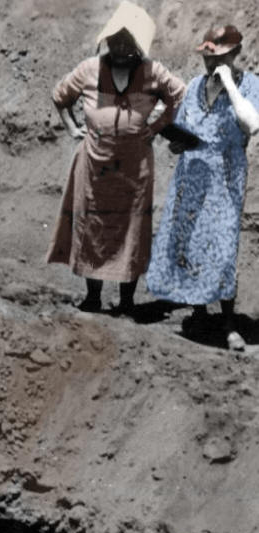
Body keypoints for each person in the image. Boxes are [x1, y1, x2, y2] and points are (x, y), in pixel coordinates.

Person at [48, 3, 185, 313]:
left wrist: (158, 125)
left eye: (128, 41)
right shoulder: (88, 69)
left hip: (135, 170)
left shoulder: (153, 71)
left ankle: (126, 302)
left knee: (132, 230)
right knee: (93, 226)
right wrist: (72, 128)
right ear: (106, 40)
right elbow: (60, 96)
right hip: (94, 165)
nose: (121, 47)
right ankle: (93, 297)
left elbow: (180, 94)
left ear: (138, 44)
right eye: (116, 40)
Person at [145, 24, 259, 344]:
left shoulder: (249, 85)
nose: (211, 64)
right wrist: (176, 143)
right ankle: (199, 313)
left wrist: (229, 85)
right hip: (192, 172)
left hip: (225, 175)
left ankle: (228, 324)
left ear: (235, 54)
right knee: (192, 242)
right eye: (208, 57)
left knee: (222, 246)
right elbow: (183, 129)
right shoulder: (195, 85)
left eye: (218, 57)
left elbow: (252, 124)